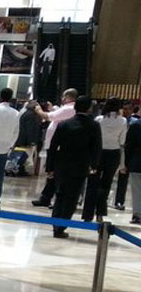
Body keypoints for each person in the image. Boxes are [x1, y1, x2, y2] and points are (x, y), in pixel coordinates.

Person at [47, 95, 101, 238]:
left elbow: (53, 146)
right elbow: (96, 147)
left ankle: (55, 224)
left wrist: (50, 167)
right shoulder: (94, 125)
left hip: (62, 164)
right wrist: (94, 165)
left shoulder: (64, 124)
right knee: (72, 197)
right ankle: (62, 226)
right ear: (89, 108)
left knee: (60, 194)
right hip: (80, 166)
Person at [32, 88, 79, 207]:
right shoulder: (66, 109)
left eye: (64, 96)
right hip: (54, 145)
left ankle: (55, 199)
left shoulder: (70, 109)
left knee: (56, 173)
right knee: (52, 173)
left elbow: (49, 117)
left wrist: (38, 110)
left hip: (58, 147)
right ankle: (46, 197)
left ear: (69, 97)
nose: (62, 99)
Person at [88, 98, 126, 221]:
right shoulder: (123, 121)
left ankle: (89, 210)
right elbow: (122, 140)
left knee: (94, 181)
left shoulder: (99, 119)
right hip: (114, 153)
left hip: (98, 152)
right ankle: (101, 210)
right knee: (107, 182)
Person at [17, 101, 43, 175]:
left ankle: (20, 169)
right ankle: (21, 170)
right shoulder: (31, 115)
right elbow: (30, 129)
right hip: (25, 139)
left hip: (22, 137)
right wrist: (31, 141)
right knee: (25, 155)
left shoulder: (26, 113)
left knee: (22, 154)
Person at [125, 112, 141, 224]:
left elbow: (129, 145)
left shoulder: (135, 125)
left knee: (136, 191)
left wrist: (126, 163)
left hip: (137, 163)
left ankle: (137, 215)